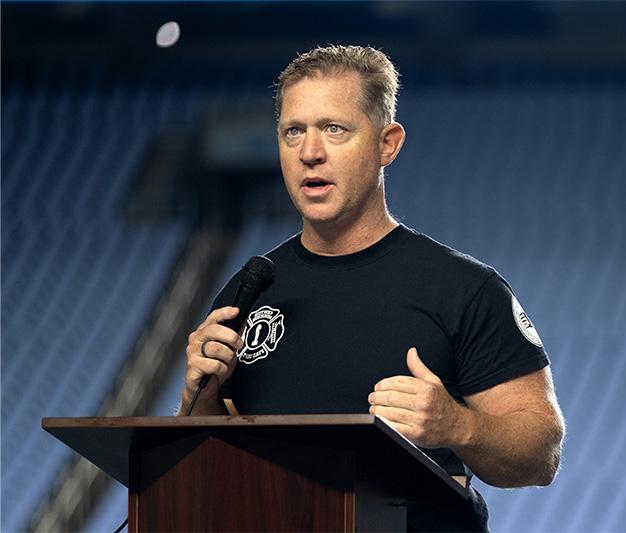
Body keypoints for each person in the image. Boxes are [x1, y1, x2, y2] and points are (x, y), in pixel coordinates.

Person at [178, 45, 565, 531]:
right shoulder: (251, 288)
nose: (310, 152)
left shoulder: (464, 288)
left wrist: (458, 425)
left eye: (334, 129)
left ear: (387, 144)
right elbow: (213, 462)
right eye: (293, 131)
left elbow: (541, 453)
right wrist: (203, 395)